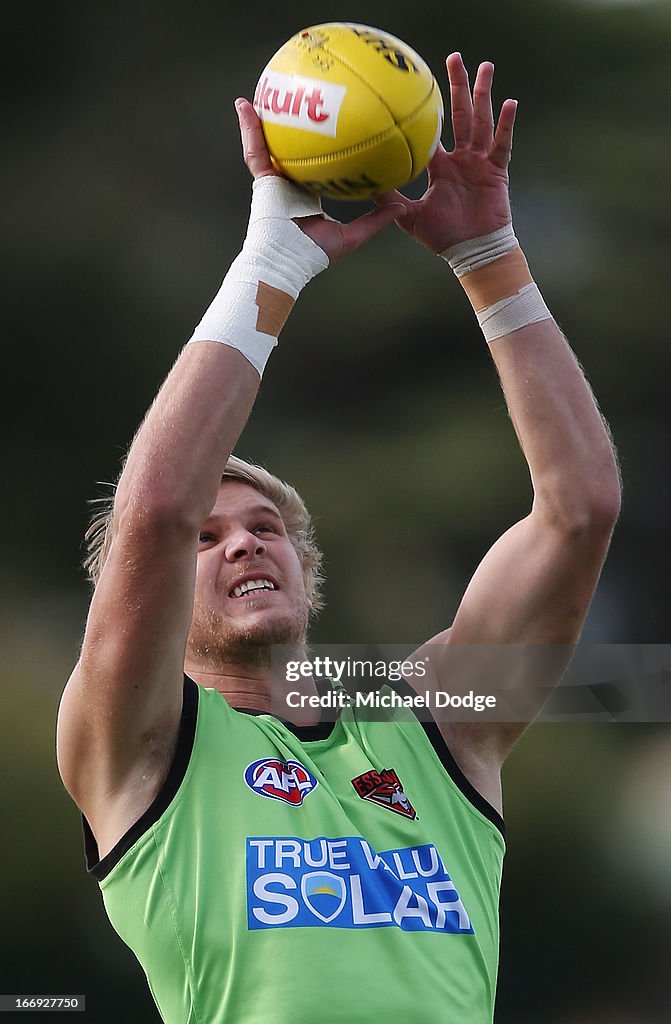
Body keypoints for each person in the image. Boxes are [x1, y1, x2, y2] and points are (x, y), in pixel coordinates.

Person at [57, 53, 621, 1024]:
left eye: (266, 527)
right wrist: (268, 266)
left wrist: (489, 258)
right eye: (209, 536)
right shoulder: (141, 748)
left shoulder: (435, 725)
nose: (242, 543)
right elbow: (152, 509)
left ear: (304, 572)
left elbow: (578, 508)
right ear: (144, 597)